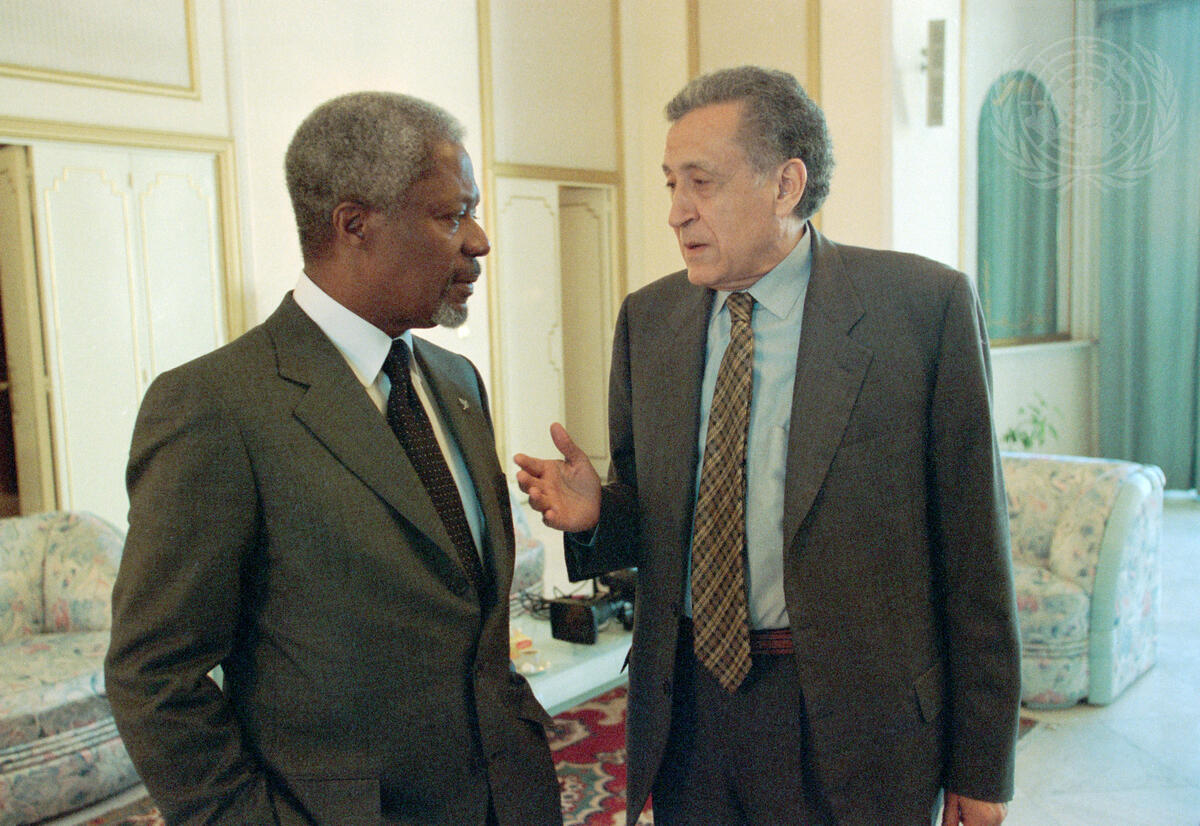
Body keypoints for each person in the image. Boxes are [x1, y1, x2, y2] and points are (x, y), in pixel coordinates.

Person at [514, 66, 1021, 826]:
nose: (677, 213)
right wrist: (598, 514)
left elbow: (976, 554)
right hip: (689, 715)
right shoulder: (649, 320)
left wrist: (982, 768)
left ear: (786, 184)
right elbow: (657, 522)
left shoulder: (921, 309)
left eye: (702, 183)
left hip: (856, 722)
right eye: (670, 185)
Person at [106, 91, 562, 826]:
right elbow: (154, 677)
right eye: (452, 215)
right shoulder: (215, 407)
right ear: (355, 225)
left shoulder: (456, 382)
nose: (478, 241)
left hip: (511, 799)